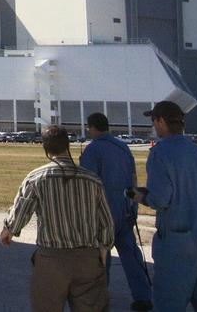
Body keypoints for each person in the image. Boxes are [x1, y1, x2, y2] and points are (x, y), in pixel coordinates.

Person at [128, 101, 197, 312]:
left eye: (154, 121)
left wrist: (139, 196)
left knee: (169, 304)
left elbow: (160, 199)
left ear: (160, 121)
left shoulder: (160, 154)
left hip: (179, 247)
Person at [0, 125, 115, 312]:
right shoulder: (92, 179)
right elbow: (106, 220)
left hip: (52, 259)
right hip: (87, 258)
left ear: (45, 148)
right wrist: (104, 247)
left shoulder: (36, 178)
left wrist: (9, 230)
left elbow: (22, 210)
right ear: (67, 145)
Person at [80, 112, 153, 311]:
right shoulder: (122, 147)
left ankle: (100, 298)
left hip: (103, 211)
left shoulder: (93, 150)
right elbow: (133, 178)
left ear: (92, 127)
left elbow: (87, 183)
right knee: (131, 256)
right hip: (125, 208)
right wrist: (134, 207)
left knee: (101, 257)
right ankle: (143, 296)